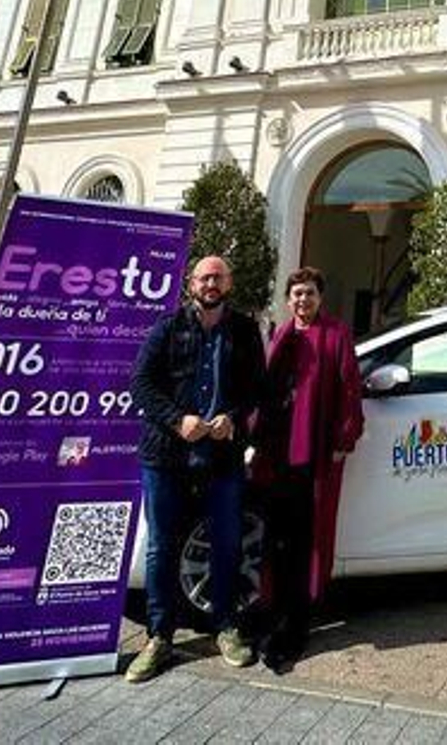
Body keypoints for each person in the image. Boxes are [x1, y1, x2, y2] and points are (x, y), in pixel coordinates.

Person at [126, 255, 265, 683]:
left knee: (227, 541)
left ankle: (225, 627)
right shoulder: (167, 328)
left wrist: (234, 418)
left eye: (219, 276)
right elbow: (140, 384)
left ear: (229, 282)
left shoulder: (243, 330)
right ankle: (159, 637)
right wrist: (175, 419)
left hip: (221, 456)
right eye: (204, 277)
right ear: (192, 283)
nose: (211, 283)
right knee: (161, 548)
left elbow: (257, 386)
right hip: (166, 455)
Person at [260, 267, 364, 671]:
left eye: (309, 294)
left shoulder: (336, 335)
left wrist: (344, 439)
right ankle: (274, 610)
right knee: (277, 538)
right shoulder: (281, 334)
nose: (303, 300)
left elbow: (350, 388)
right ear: (288, 300)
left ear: (321, 298)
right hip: (276, 455)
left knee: (307, 538)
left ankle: (298, 617)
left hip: (313, 455)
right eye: (297, 294)